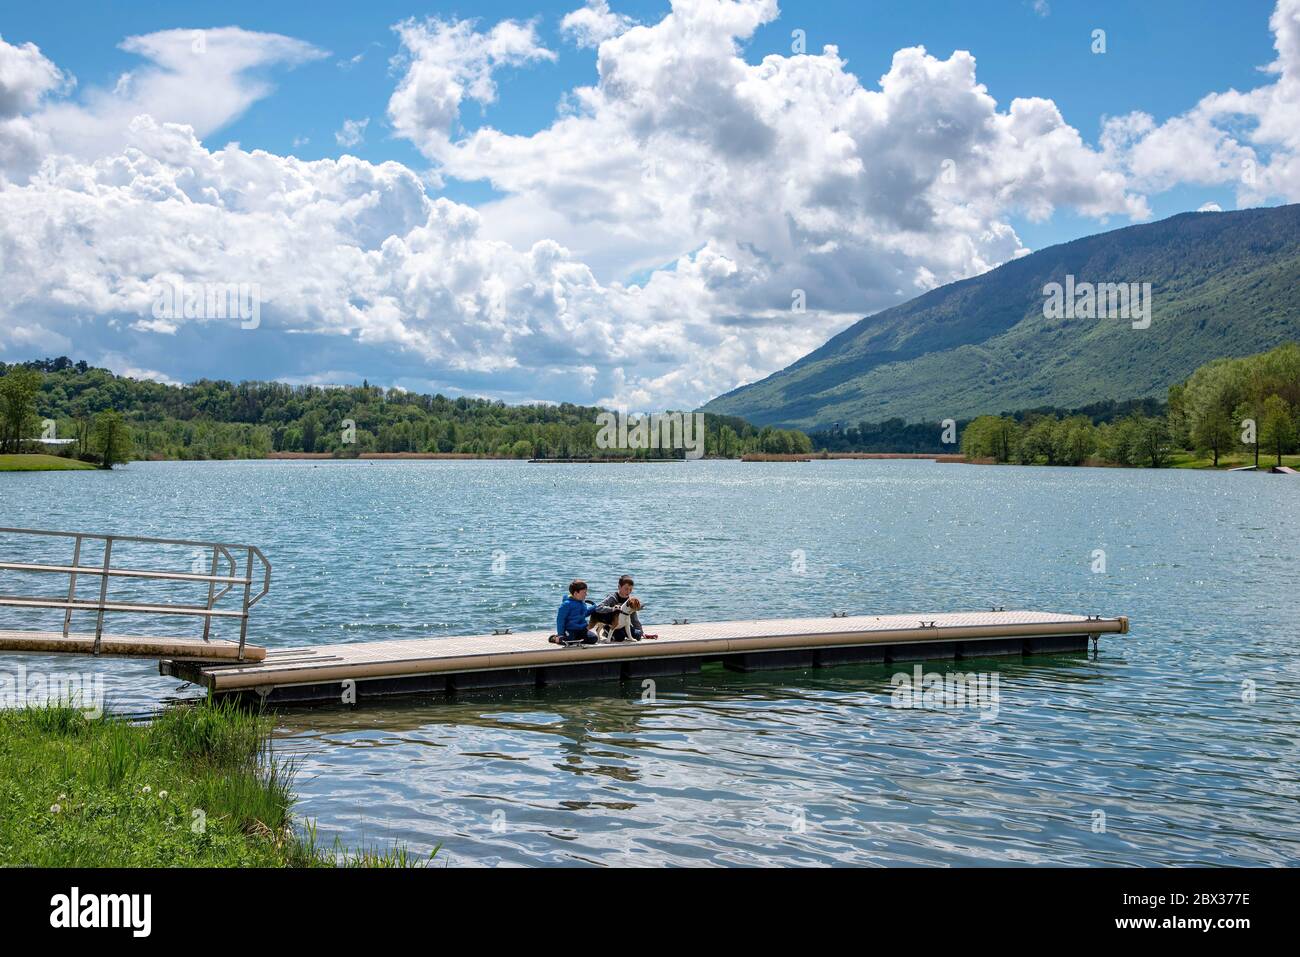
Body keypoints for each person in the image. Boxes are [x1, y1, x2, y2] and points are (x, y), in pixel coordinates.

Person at [593, 575, 644, 642]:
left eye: (630, 589)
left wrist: (641, 632)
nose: (628, 591)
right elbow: (598, 608)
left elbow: (634, 618)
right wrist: (612, 609)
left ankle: (629, 633)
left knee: (637, 635)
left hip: (624, 624)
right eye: (626, 589)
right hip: (611, 624)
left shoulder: (630, 601)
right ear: (619, 587)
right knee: (620, 637)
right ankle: (606, 631)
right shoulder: (612, 598)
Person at [552, 579, 599, 645]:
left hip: (582, 630)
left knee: (594, 638)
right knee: (565, 641)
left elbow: (584, 614)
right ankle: (555, 638)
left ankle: (576, 640)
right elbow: (560, 620)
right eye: (584, 592)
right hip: (570, 630)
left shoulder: (582, 603)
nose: (586, 594)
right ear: (575, 593)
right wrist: (560, 634)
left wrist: (593, 608)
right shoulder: (566, 604)